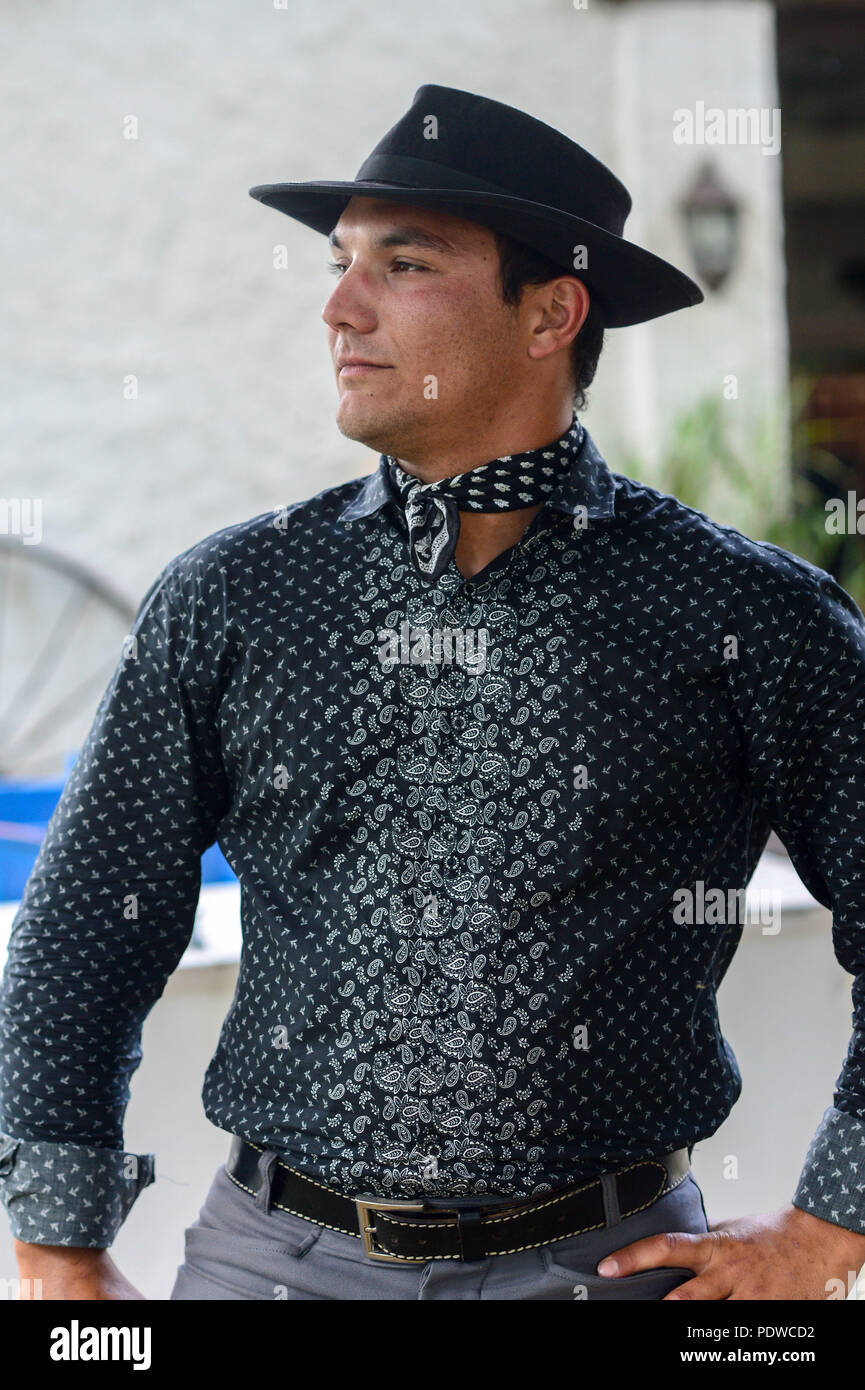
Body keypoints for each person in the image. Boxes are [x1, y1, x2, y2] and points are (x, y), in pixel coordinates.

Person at [2, 83, 865, 1302]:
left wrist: (834, 1227)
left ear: (550, 312)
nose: (336, 307)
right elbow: (87, 925)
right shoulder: (236, 595)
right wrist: (56, 1245)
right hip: (271, 1266)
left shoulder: (744, 616)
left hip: (609, 1268)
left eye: (400, 264)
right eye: (343, 260)